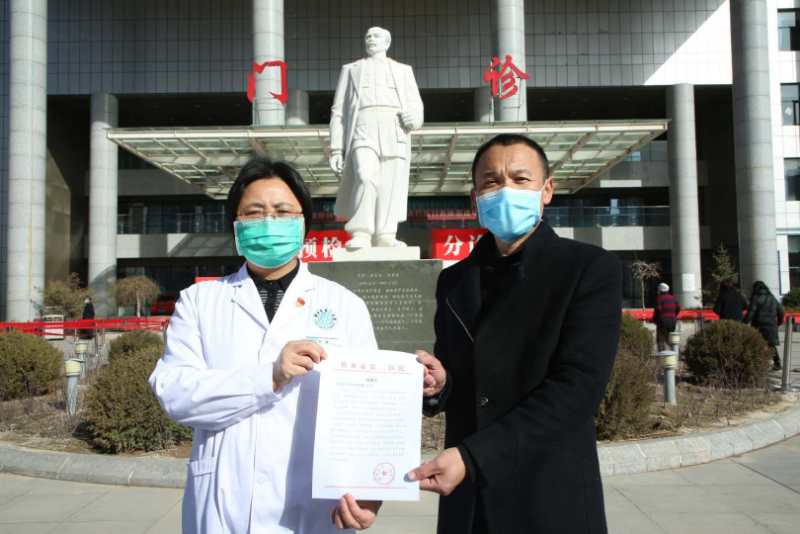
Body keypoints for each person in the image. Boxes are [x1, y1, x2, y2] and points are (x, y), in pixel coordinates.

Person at [149, 157, 381, 533]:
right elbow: (175, 393)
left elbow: (369, 410)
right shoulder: (200, 302)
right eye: (254, 213)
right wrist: (269, 377)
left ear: (303, 222)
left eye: (282, 211)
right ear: (236, 224)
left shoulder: (345, 305)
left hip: (315, 507)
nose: (269, 223)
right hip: (226, 502)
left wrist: (370, 490)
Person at [408, 133, 622, 533]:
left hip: (548, 496)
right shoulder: (454, 281)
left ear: (546, 191)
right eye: (491, 182)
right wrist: (440, 384)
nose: (505, 190)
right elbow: (460, 375)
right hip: (470, 504)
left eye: (520, 179)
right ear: (475, 199)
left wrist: (474, 456)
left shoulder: (588, 270)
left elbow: (577, 389)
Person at [329, 26, 424, 250]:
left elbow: (415, 104)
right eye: (368, 36)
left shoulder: (403, 70)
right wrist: (336, 149)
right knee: (365, 176)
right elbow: (338, 111)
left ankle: (386, 234)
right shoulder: (351, 69)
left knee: (390, 183)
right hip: (363, 126)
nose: (371, 39)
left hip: (394, 127)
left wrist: (415, 118)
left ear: (387, 42)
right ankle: (361, 231)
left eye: (376, 36)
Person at [745, 280, 784, 370]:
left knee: (755, 343)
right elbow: (781, 311)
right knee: (771, 345)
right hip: (771, 325)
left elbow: (750, 313)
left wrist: (744, 323)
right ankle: (777, 363)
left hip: (759, 325)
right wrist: (779, 322)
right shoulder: (772, 298)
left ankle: (756, 364)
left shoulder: (755, 298)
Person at [653, 282, 681, 351]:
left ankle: (662, 354)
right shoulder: (673, 298)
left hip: (663, 321)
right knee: (671, 338)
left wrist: (655, 319)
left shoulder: (660, 298)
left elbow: (658, 310)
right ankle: (675, 352)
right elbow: (678, 308)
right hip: (673, 321)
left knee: (660, 339)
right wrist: (674, 315)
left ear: (660, 291)